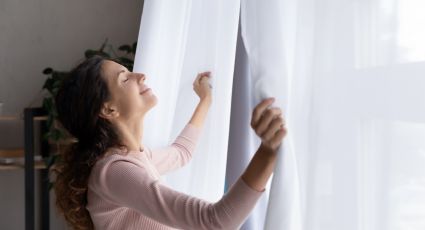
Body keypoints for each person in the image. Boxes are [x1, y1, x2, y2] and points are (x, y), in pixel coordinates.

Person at [52, 55, 286, 230]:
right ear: (108, 109)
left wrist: (205, 100)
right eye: (125, 79)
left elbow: (181, 152)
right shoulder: (116, 172)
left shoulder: (133, 158)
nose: (140, 76)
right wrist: (267, 151)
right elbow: (215, 222)